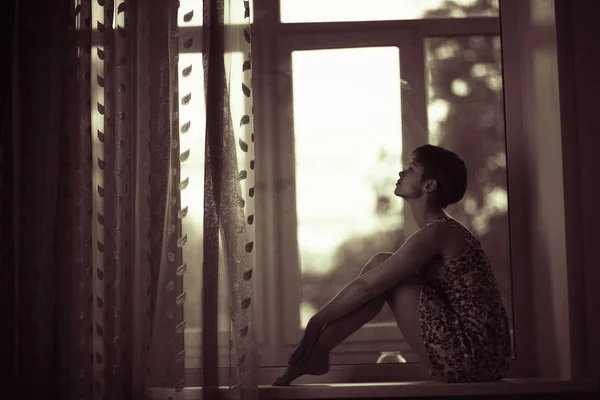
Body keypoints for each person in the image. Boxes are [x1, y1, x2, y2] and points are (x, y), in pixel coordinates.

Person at [272, 144, 511, 386]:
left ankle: (316, 354)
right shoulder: (440, 230)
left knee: (382, 266)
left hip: (474, 354)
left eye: (411, 168)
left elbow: (366, 287)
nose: (401, 173)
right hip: (485, 358)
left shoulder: (440, 231)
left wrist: (314, 324)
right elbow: (370, 291)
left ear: (429, 185)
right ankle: (316, 356)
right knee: (383, 272)